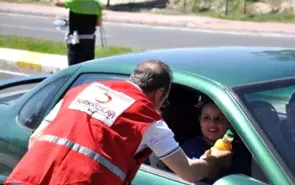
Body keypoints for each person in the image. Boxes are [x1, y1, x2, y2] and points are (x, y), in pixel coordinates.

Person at [5, 60, 232, 185]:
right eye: (164, 100)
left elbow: (36, 140)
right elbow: (189, 174)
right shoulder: (148, 118)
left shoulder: (81, 91)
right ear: (159, 93)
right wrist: (212, 161)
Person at [181, 97, 251, 183]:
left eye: (219, 118)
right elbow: (195, 173)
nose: (213, 123)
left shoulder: (241, 149)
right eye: (206, 118)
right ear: (200, 121)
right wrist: (217, 162)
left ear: (229, 123)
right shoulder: (189, 148)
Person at [55, 0, 104, 66]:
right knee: (87, 68)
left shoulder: (75, 1)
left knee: (74, 68)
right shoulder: (97, 3)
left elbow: (57, 3)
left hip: (76, 41)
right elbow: (98, 23)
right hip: (90, 41)